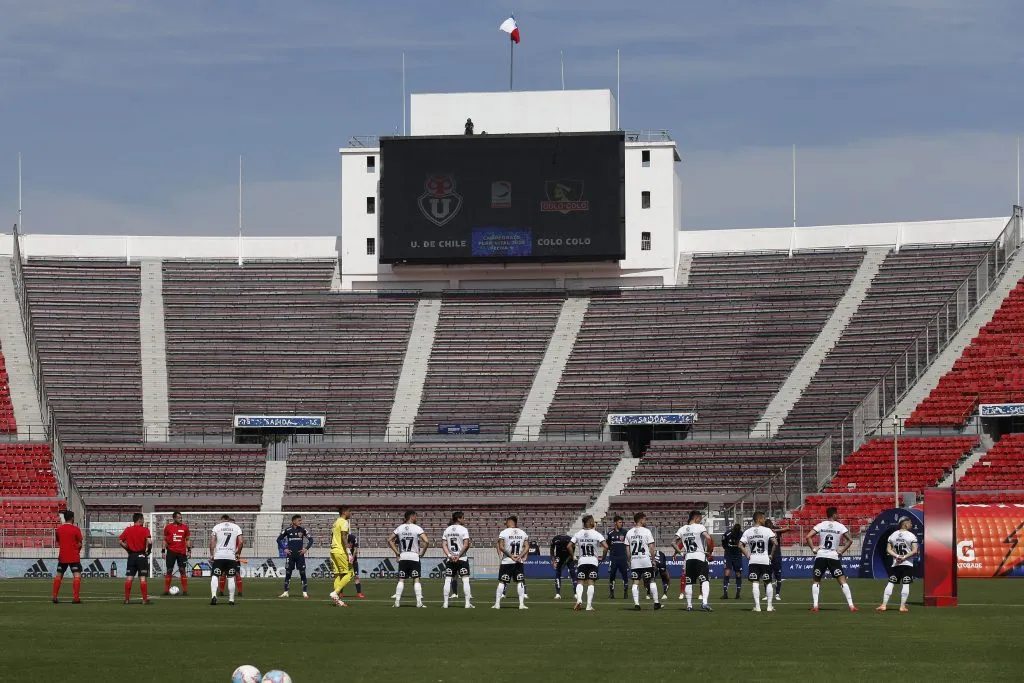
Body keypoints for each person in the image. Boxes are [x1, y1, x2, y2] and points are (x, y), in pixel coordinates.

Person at [805, 506, 857, 612]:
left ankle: (815, 606)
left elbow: (808, 536)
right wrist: (841, 551)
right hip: (833, 555)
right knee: (842, 580)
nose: (838, 515)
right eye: (837, 514)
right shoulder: (840, 526)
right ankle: (851, 605)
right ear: (834, 515)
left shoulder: (821, 525)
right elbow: (850, 540)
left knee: (816, 581)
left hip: (821, 555)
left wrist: (813, 549)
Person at [388, 510, 429, 608]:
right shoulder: (417, 528)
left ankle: (397, 602)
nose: (416, 518)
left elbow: (389, 540)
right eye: (415, 516)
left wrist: (397, 552)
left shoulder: (400, 528)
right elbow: (426, 541)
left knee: (401, 579)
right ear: (411, 516)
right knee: (416, 579)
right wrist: (422, 552)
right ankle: (419, 602)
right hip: (414, 556)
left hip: (403, 556)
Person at [877, 517, 919, 613]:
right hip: (907, 563)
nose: (911, 525)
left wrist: (897, 556)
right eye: (910, 523)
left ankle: (883, 605)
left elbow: (888, 549)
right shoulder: (911, 536)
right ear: (905, 524)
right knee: (906, 584)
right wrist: (904, 557)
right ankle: (902, 606)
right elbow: (915, 550)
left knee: (890, 583)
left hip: (896, 563)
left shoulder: (893, 535)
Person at [567, 515, 608, 611]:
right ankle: (588, 605)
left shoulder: (578, 534)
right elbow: (606, 546)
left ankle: (579, 600)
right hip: (593, 561)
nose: (594, 522)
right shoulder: (596, 534)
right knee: (591, 582)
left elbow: (569, 546)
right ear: (590, 522)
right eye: (593, 521)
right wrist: (604, 557)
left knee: (580, 582)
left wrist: (573, 556)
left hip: (582, 561)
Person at [739, 512, 777, 612]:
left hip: (753, 560)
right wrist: (771, 555)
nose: (765, 520)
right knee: (768, 582)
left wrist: (747, 555)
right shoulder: (767, 530)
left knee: (755, 582)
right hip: (764, 559)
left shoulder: (748, 531)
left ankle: (758, 607)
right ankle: (769, 606)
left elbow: (740, 545)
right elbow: (775, 543)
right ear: (759, 519)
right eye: (763, 518)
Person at [676, 510, 713, 612]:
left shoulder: (682, 529)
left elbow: (673, 543)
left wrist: (680, 553)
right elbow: (708, 538)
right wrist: (709, 551)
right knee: (704, 580)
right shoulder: (700, 527)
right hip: (700, 556)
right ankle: (704, 603)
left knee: (689, 582)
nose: (700, 521)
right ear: (695, 517)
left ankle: (689, 605)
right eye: (700, 518)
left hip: (688, 558)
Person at [625, 512, 662, 610]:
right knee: (652, 580)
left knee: (635, 582)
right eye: (645, 519)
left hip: (635, 561)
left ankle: (636, 604)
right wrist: (653, 560)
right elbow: (651, 547)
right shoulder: (646, 531)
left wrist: (629, 561)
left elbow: (627, 550)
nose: (645, 521)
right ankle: (656, 603)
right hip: (645, 560)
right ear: (640, 520)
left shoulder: (629, 533)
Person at [494, 515, 529, 610]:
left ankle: (497, 604)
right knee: (520, 581)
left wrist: (511, 556)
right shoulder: (523, 533)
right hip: (518, 561)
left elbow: (501, 546)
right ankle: (521, 604)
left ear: (510, 522)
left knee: (502, 582)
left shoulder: (504, 532)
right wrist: (520, 556)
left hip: (507, 561)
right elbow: (526, 547)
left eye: (506, 522)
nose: (506, 524)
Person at [209, 514, 243, 606]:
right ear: (228, 520)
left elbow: (212, 542)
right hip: (231, 556)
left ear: (221, 519)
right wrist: (238, 553)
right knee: (231, 577)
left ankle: (214, 596)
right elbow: (241, 542)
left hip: (219, 556)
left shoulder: (217, 527)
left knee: (215, 575)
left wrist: (212, 554)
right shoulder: (236, 527)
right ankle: (231, 599)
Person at [119, 512, 153, 605]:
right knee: (142, 578)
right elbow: (149, 542)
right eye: (142, 519)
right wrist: (148, 551)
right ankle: (144, 600)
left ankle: (126, 599)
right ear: (140, 520)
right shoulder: (145, 530)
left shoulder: (128, 530)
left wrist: (127, 549)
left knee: (129, 578)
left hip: (132, 556)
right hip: (141, 556)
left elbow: (120, 541)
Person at [441, 511, 473, 609]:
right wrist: (459, 555)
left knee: (447, 580)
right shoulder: (463, 529)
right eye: (463, 518)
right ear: (458, 519)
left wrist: (450, 555)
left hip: (450, 560)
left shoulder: (447, 530)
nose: (464, 520)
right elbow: (466, 544)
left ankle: (445, 603)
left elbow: (443, 544)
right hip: (462, 558)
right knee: (465, 580)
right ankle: (467, 604)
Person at [277, 514, 313, 599]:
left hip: (300, 555)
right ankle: (286, 592)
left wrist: (306, 548)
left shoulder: (303, 530)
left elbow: (311, 540)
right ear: (293, 521)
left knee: (302, 573)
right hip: (290, 555)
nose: (301, 522)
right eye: (299, 520)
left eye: (301, 520)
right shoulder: (288, 530)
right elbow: (278, 539)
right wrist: (284, 549)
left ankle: (304, 592)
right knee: (288, 573)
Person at [53, 510, 83, 604]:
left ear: (65, 518)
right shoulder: (76, 529)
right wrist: (77, 549)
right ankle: (76, 598)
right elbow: (80, 543)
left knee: (59, 575)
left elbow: (58, 541)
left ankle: (54, 596)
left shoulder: (59, 529)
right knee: (77, 576)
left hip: (62, 556)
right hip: (73, 556)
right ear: (72, 518)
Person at [329, 506, 355, 607]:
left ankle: (338, 600)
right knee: (350, 573)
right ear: (344, 512)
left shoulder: (335, 522)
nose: (350, 513)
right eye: (349, 511)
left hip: (333, 550)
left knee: (338, 575)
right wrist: (348, 552)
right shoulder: (344, 522)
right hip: (340, 551)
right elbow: (344, 536)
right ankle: (335, 593)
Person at [162, 511, 190, 596]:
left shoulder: (185, 527)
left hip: (182, 552)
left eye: (181, 517)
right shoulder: (168, 527)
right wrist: (163, 551)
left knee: (182, 570)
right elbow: (165, 540)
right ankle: (166, 590)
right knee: (169, 570)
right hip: (171, 551)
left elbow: (187, 539)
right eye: (178, 518)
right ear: (174, 518)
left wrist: (189, 550)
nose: (180, 519)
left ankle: (185, 591)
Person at [603, 515, 630, 599]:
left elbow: (628, 546)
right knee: (612, 575)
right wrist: (604, 556)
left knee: (625, 575)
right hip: (613, 558)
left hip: (623, 557)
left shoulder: (625, 532)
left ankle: (625, 593)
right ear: (615, 523)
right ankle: (611, 593)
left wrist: (629, 558)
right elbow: (606, 546)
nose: (621, 524)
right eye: (620, 522)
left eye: (622, 522)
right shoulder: (610, 534)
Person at [549, 531, 575, 599]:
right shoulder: (555, 538)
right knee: (558, 573)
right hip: (559, 557)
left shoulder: (570, 539)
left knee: (573, 574)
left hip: (568, 557)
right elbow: (551, 549)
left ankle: (576, 593)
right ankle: (557, 594)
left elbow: (572, 552)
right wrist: (553, 560)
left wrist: (566, 562)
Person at [721, 522, 743, 600]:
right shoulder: (728, 534)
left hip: (736, 555)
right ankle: (727, 593)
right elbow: (723, 543)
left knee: (735, 573)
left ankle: (736, 593)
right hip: (730, 555)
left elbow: (744, 544)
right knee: (732, 573)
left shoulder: (741, 534)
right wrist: (727, 549)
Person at [765, 519, 786, 600]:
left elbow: (787, 528)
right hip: (767, 555)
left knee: (778, 575)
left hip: (777, 555)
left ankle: (777, 594)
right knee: (767, 575)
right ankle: (767, 594)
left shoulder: (776, 530)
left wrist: (775, 530)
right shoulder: (765, 532)